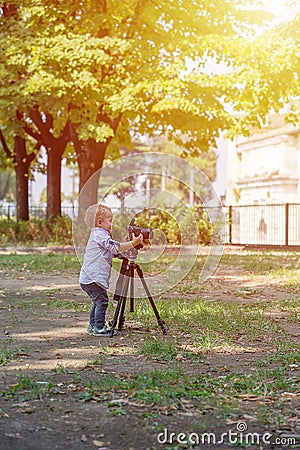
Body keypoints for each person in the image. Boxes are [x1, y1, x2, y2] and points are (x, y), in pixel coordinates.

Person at [79, 204, 143, 336]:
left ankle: (93, 326)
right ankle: (100, 328)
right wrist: (132, 243)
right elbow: (113, 247)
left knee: (97, 301)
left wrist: (123, 252)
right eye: (110, 221)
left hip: (89, 278)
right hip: (93, 278)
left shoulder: (99, 234)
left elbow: (111, 252)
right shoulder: (99, 234)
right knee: (102, 301)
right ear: (100, 222)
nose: (111, 224)